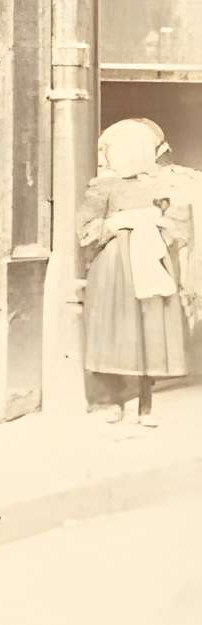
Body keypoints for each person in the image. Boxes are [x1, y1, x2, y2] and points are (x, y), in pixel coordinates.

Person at [79, 116, 192, 430]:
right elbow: (85, 231)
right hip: (114, 267)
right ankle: (114, 401)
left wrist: (159, 222)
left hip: (151, 263)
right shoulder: (103, 188)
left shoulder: (160, 186)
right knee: (117, 331)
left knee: (150, 332)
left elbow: (180, 230)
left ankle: (145, 403)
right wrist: (116, 224)